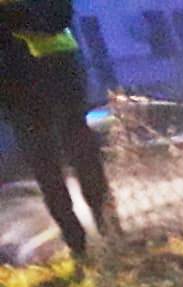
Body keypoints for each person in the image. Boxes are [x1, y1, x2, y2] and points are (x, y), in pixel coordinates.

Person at [0, 0, 113, 258]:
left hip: (57, 73)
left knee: (82, 156)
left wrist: (11, 15)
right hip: (17, 87)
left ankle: (108, 232)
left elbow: (56, 17)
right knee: (46, 167)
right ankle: (77, 243)